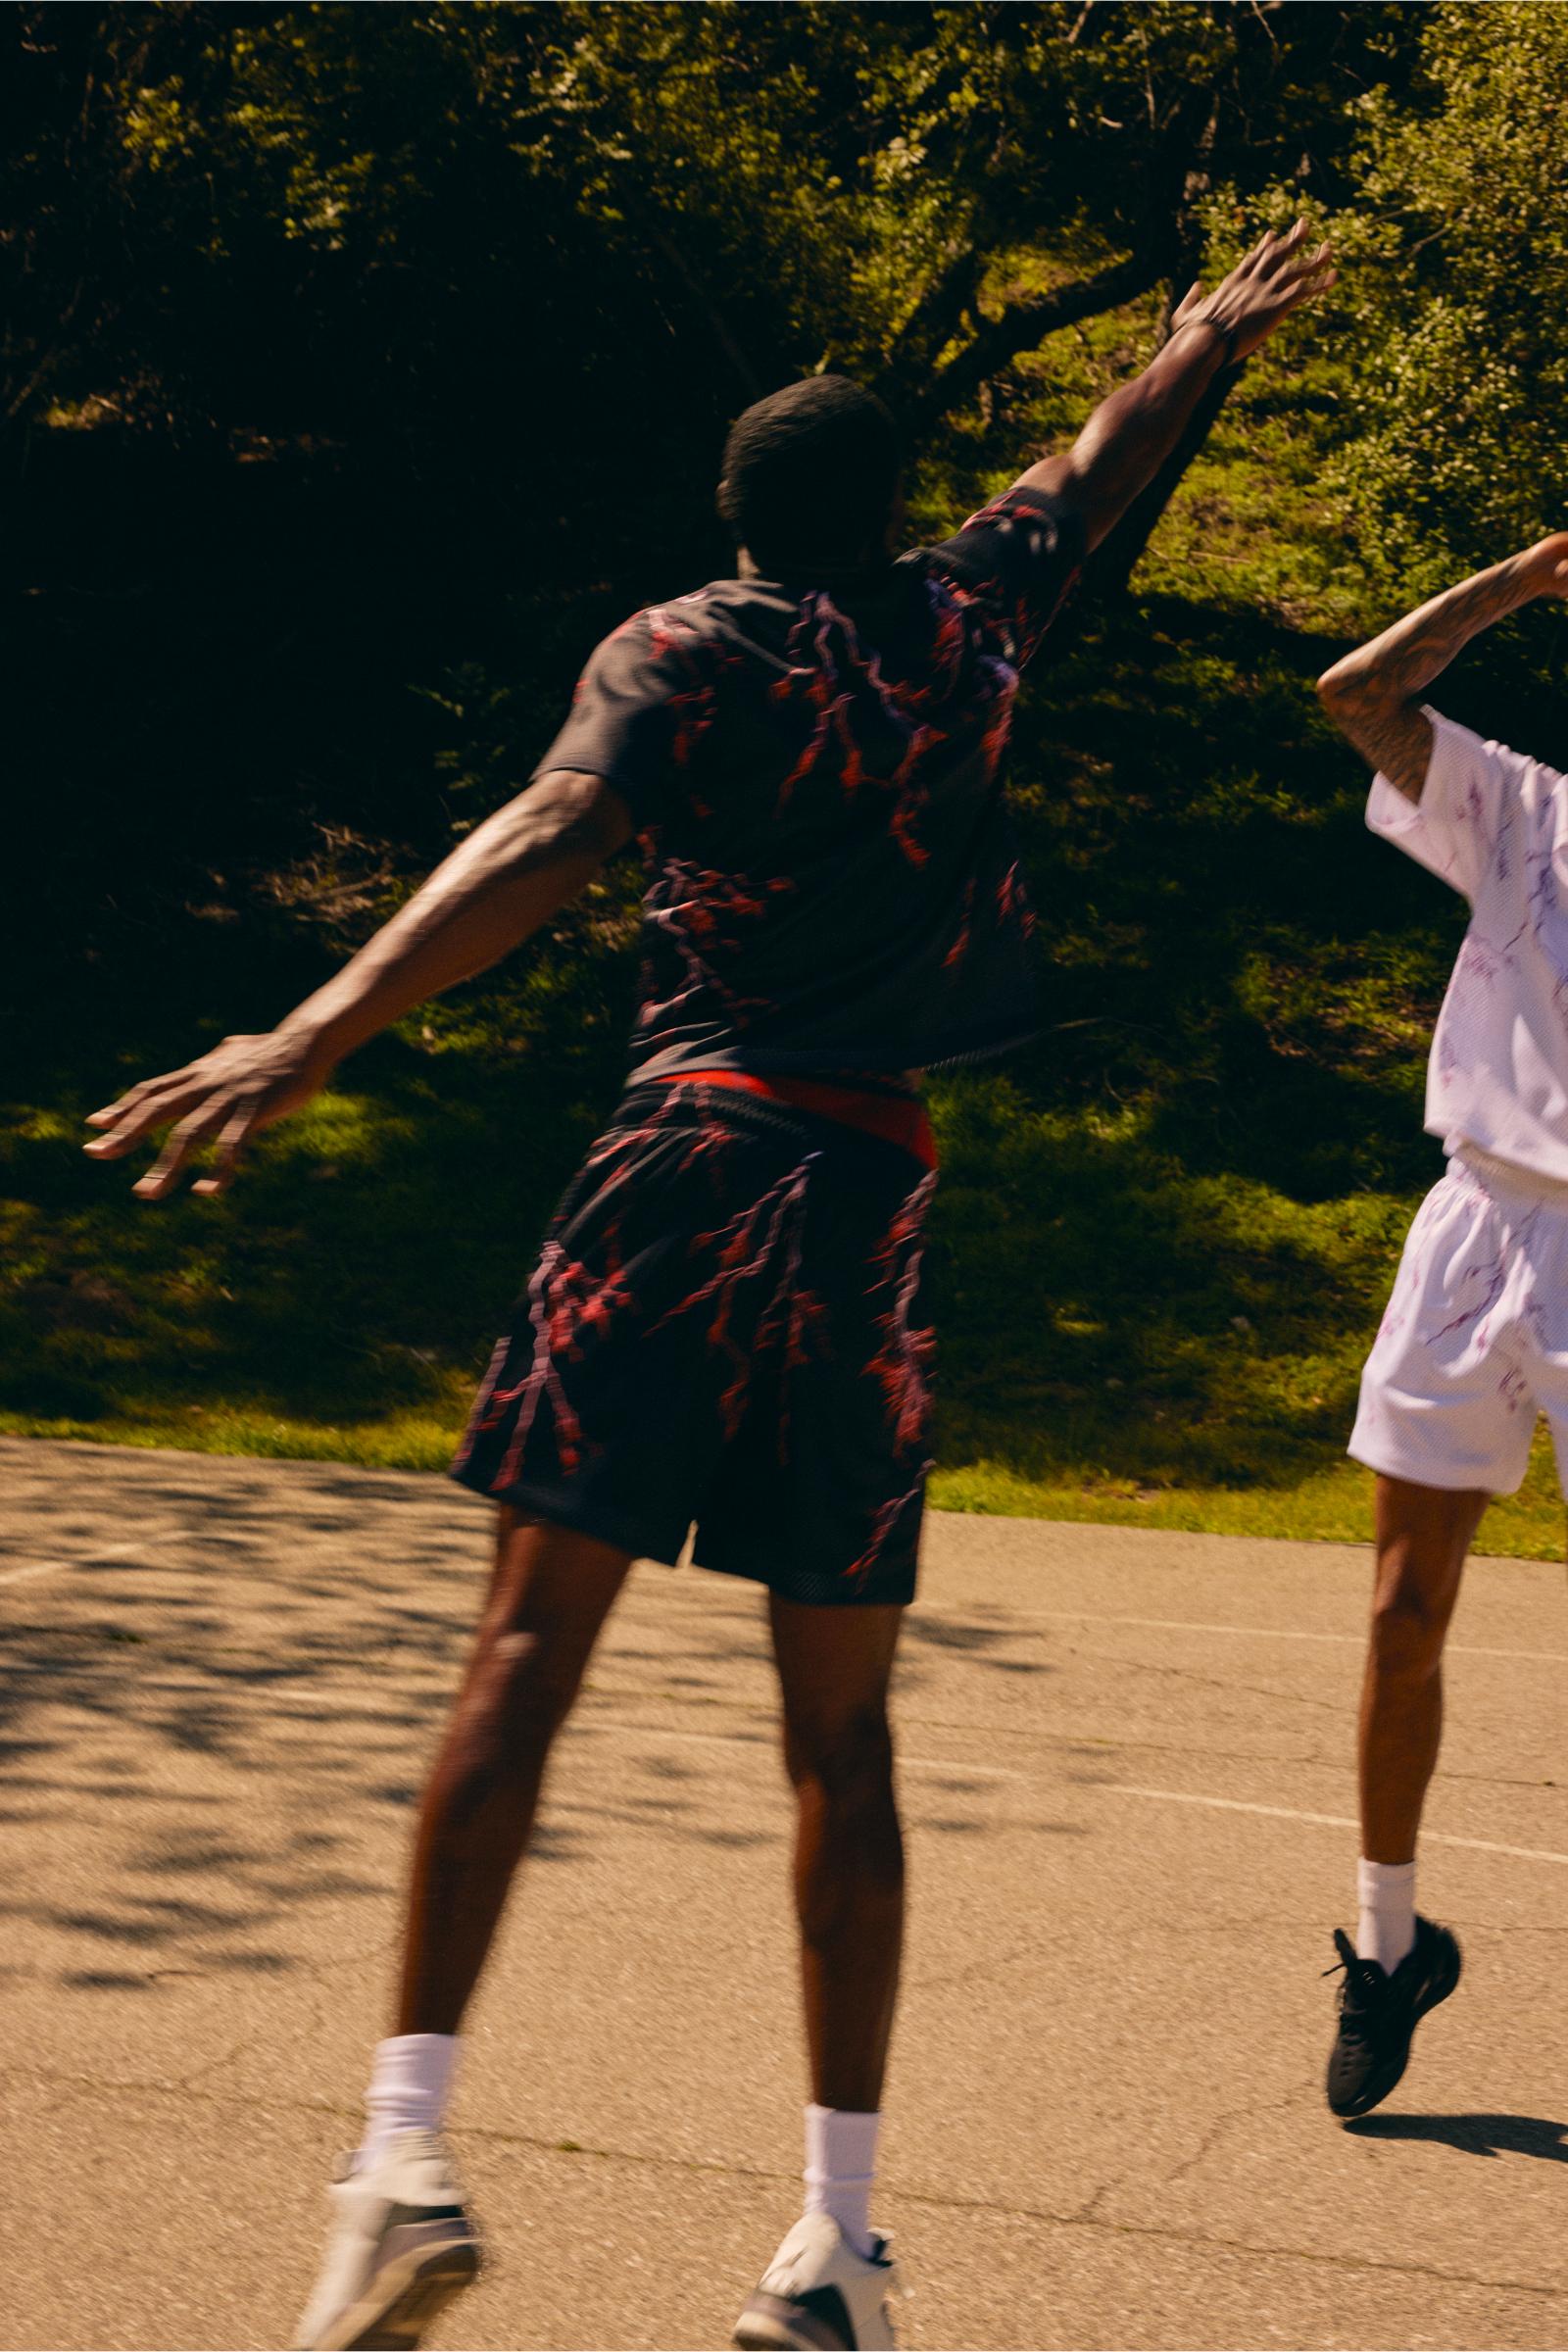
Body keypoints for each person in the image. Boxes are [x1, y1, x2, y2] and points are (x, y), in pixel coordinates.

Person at [85, 223, 1332, 2352]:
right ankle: (832, 2247)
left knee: (520, 1662)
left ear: (736, 524)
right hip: (870, 1206)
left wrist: (312, 1028)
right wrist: (1202, 335)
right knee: (836, 1747)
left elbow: (550, 826)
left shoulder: (686, 652)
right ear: (885, 512)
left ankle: (402, 2160)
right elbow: (1096, 468)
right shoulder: (965, 617)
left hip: (685, 1160)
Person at [1317, 533, 1568, 2120]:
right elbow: (1355, 691)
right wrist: (1528, 577)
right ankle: (1389, 1942)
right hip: (1481, 1220)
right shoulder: (1527, 810)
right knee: (1405, 1617)